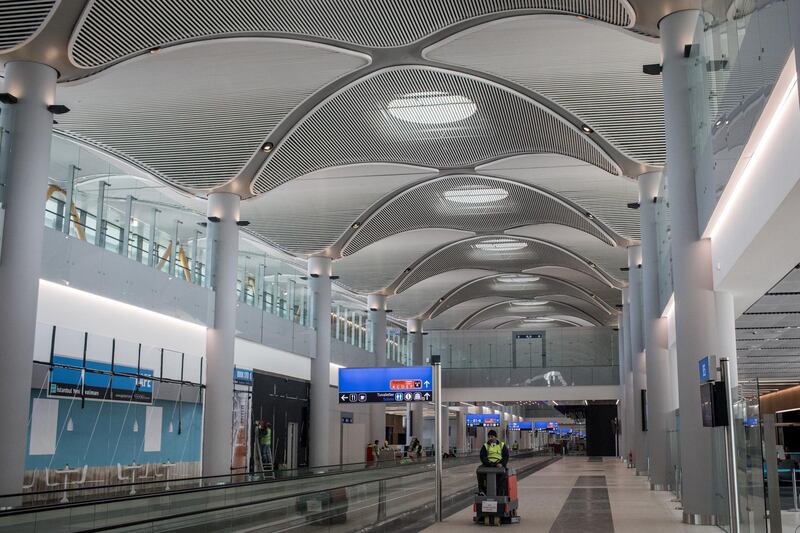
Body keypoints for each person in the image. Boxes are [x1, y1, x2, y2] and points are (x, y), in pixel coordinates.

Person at [477, 429, 509, 495]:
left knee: (504, 473)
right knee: (479, 470)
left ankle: (501, 492)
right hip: (489, 464)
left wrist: (502, 464)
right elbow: (482, 457)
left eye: (492, 436)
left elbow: (506, 456)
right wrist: (488, 463)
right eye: (489, 437)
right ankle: (482, 490)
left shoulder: (502, 445)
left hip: (499, 464)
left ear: (496, 437)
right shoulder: (485, 446)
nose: (490, 438)